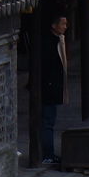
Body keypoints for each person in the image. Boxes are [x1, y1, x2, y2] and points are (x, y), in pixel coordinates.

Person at [38, 13, 70, 167]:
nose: (65, 27)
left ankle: (48, 153)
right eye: (62, 23)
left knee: (49, 121)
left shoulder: (60, 41)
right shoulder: (49, 44)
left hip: (53, 87)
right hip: (47, 88)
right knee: (47, 122)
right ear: (54, 25)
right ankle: (47, 154)